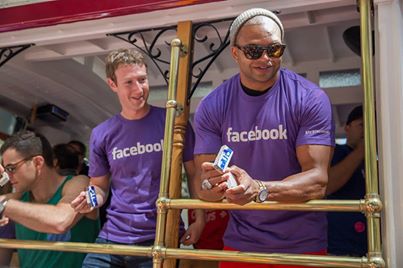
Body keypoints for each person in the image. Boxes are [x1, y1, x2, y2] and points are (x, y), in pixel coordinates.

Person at [193, 8, 334, 268]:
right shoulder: (212, 105)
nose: (265, 58)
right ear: (234, 53)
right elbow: (204, 187)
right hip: (241, 245)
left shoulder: (310, 98)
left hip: (302, 245)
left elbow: (317, 180)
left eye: (274, 49)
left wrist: (257, 189)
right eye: (253, 51)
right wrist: (214, 185)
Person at [71, 48, 205, 268]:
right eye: (129, 82)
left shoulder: (173, 122)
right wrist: (91, 200)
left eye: (142, 80)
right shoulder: (102, 133)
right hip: (113, 237)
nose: (138, 89)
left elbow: (194, 173)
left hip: (159, 237)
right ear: (112, 84)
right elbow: (99, 187)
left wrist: (199, 220)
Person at [0, 131, 99, 268]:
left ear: (38, 162)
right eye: (6, 170)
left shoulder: (81, 183)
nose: (8, 176)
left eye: (12, 168)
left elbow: (60, 221)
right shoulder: (18, 199)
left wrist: (5, 206)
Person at [326, 105, 367, 256]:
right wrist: (362, 150)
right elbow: (328, 185)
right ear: (347, 128)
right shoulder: (336, 152)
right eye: (362, 125)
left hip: (368, 247)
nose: (367, 130)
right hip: (339, 246)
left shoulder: (377, 162)